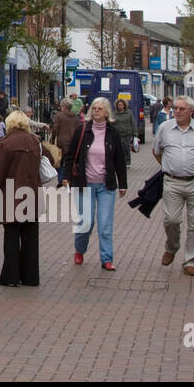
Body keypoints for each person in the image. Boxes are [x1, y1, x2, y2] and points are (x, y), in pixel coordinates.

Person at [152, 94, 194, 275]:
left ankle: (190, 261)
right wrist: (170, 166)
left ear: (191, 111)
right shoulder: (164, 128)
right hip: (172, 181)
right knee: (171, 219)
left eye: (181, 109)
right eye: (175, 109)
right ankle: (172, 247)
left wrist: (193, 166)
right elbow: (157, 151)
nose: (177, 112)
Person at [62, 98, 128, 271]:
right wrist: (66, 176)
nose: (97, 111)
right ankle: (80, 250)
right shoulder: (82, 130)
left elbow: (119, 159)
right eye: (94, 108)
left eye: (100, 109)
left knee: (105, 224)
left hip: (106, 185)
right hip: (85, 184)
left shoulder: (113, 132)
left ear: (107, 113)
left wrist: (123, 184)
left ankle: (107, 259)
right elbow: (70, 156)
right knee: (86, 223)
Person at [0, 110, 42, 286]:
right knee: (30, 236)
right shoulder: (35, 142)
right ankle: (30, 276)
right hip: (32, 192)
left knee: (11, 235)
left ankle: (10, 276)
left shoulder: (5, 144)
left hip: (11, 193)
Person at [113, 97, 138, 167]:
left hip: (127, 133)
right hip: (118, 134)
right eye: (118, 105)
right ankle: (119, 162)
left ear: (124, 105)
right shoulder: (114, 113)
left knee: (126, 148)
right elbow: (112, 123)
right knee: (119, 149)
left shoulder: (129, 113)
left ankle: (127, 162)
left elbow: (133, 123)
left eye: (121, 105)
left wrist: (135, 133)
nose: (120, 106)